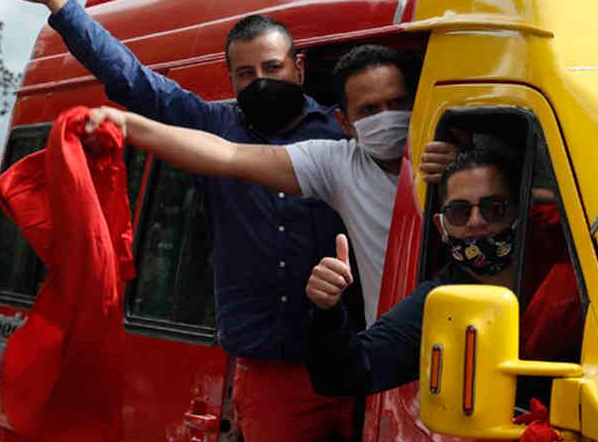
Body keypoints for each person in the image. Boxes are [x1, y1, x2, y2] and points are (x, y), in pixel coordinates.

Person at [7, 0, 351, 442]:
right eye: (244, 73)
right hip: (271, 377)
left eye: (271, 69)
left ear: (299, 68)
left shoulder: (344, 135)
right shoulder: (214, 127)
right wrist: (61, 2)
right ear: (229, 80)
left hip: (359, 368)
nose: (259, 82)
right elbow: (133, 83)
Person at [84, 43, 418, 325]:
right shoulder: (340, 164)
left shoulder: (450, 158)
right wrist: (129, 125)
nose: (387, 118)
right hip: (394, 357)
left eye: (398, 103)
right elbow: (226, 154)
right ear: (345, 123)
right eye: (370, 110)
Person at [301, 149, 584, 397]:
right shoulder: (439, 304)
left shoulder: (576, 267)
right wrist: (327, 310)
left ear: (521, 212)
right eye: (459, 212)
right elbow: (347, 375)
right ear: (441, 227)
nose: (476, 222)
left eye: (494, 208)